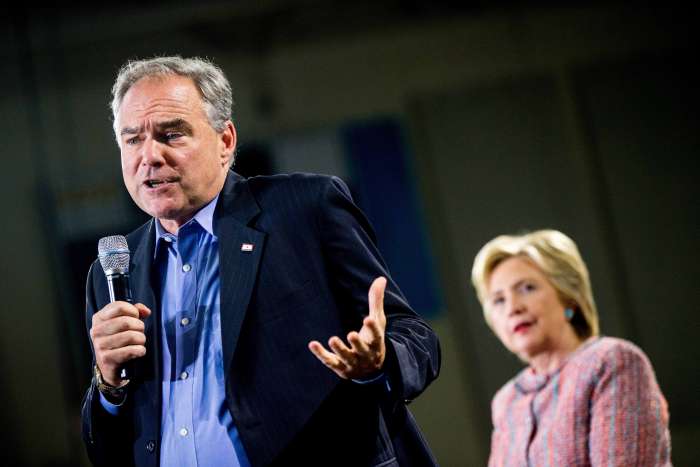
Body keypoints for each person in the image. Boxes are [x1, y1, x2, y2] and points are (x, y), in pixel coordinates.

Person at [80, 56, 440, 467]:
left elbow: (415, 336)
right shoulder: (110, 272)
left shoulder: (305, 210)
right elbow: (107, 449)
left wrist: (378, 362)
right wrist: (108, 385)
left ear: (225, 141)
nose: (150, 156)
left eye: (172, 135)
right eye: (132, 140)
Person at [471, 229, 671, 466]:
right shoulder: (506, 401)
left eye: (527, 288)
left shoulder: (611, 361)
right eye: (498, 300)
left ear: (568, 297)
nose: (512, 308)